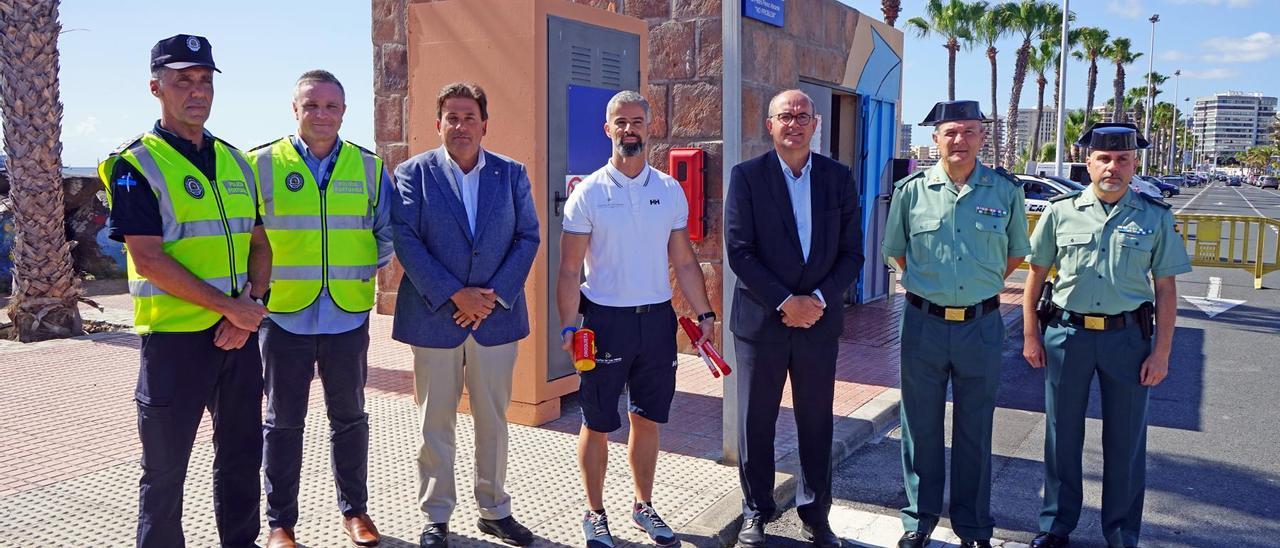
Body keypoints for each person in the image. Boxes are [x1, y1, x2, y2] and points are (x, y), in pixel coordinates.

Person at [98, 34, 269, 547]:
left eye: (204, 80)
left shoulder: (237, 162)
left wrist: (252, 309)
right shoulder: (136, 165)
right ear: (157, 88)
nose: (197, 91)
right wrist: (232, 311)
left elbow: (260, 245)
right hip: (174, 343)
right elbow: (148, 256)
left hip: (237, 341)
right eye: (182, 81)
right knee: (165, 472)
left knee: (242, 458)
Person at [555, 90, 716, 548]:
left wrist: (703, 312)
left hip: (657, 322)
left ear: (651, 127)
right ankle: (595, 513)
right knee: (598, 421)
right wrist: (569, 326)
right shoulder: (587, 193)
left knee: (648, 418)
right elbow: (568, 270)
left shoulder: (668, 190)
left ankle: (643, 506)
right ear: (608, 130)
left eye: (638, 122)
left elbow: (684, 262)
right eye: (621, 123)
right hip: (603, 321)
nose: (630, 130)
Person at [1022, 123, 1191, 548]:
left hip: (1128, 341)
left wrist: (1162, 352)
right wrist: (1030, 334)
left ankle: (1121, 532)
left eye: (1122, 159)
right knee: (1061, 435)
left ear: (1135, 164)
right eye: (1103, 159)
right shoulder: (1060, 212)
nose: (1112, 167)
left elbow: (1166, 289)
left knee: (1126, 439)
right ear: (1088, 162)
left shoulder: (1154, 216)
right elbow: (1036, 275)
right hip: (1067, 334)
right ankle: (1056, 525)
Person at [390, 82, 541, 548]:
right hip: (436, 317)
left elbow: (528, 237)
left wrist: (489, 298)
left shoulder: (511, 173)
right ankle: (436, 515)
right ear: (438, 124)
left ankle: (494, 509)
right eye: (451, 117)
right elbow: (406, 241)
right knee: (434, 421)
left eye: (469, 117)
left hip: (495, 319)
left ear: (484, 125)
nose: (460, 126)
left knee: (493, 419)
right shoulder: (412, 173)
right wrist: (456, 294)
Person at [247, 70, 393, 548]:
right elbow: (246, 236)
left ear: (344, 112)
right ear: (295, 110)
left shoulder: (369, 168)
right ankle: (280, 523)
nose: (322, 115)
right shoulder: (260, 165)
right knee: (282, 421)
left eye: (331, 106)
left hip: (347, 314)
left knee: (349, 418)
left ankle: (356, 512)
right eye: (312, 106)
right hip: (283, 314)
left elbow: (386, 233)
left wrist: (359, 271)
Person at [881, 100, 1031, 548]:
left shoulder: (1005, 191)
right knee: (920, 426)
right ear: (936, 139)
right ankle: (918, 520)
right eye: (951, 132)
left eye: (969, 131)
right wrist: (936, 289)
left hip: (980, 326)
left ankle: (973, 527)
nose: (959, 140)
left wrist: (974, 288)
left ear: (982, 137)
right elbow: (897, 251)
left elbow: (1015, 253)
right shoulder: (911, 190)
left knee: (975, 427)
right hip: (923, 324)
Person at [724, 89, 864, 548]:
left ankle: (815, 514)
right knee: (755, 423)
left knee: (816, 421)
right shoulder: (746, 177)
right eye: (785, 116)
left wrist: (818, 299)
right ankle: (756, 511)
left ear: (816, 123)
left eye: (803, 115)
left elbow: (852, 254)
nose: (794, 123)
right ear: (770, 125)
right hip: (762, 323)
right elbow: (740, 253)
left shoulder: (838, 179)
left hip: (819, 324)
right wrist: (787, 300)